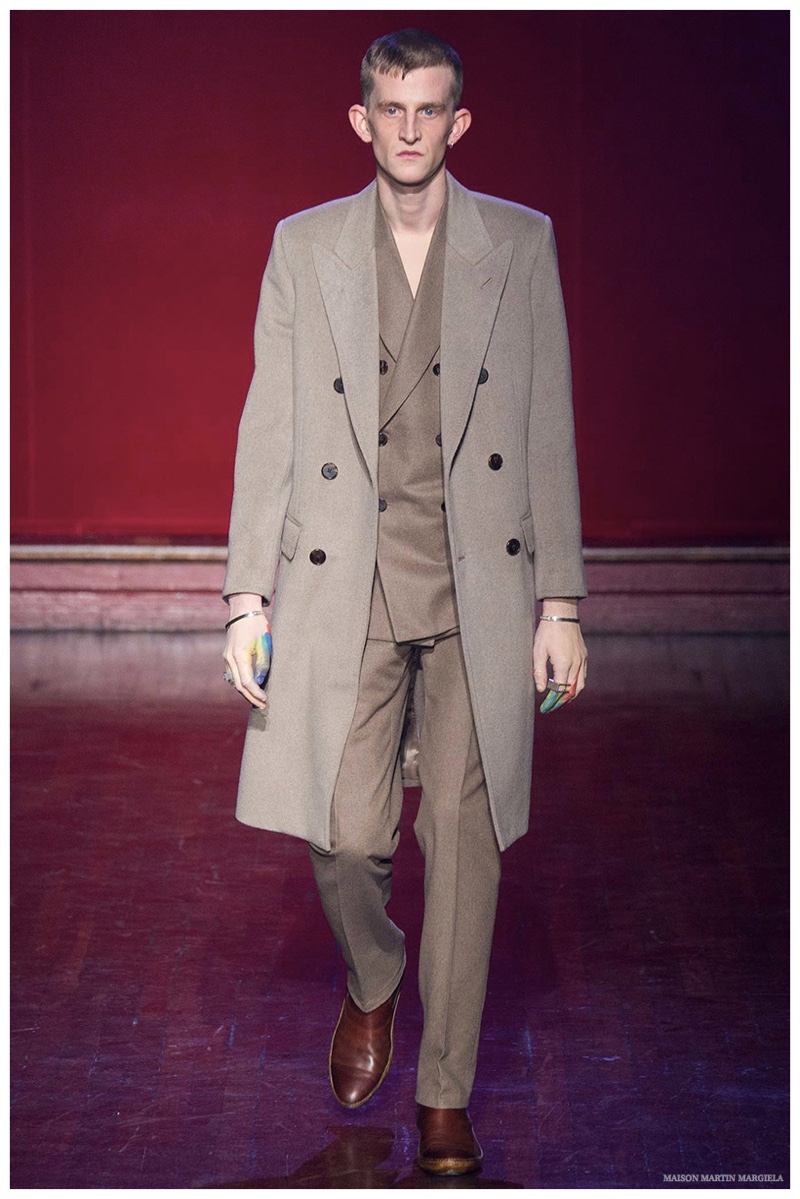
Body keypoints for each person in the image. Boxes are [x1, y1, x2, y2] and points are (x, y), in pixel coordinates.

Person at [222, 27, 588, 1177]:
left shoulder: (517, 244)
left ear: (458, 121)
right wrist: (245, 595)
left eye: (430, 108)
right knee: (342, 833)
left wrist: (559, 600)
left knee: (465, 844)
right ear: (361, 120)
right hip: (348, 581)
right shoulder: (304, 247)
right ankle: (374, 974)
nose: (411, 127)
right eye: (392, 108)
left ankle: (443, 1093)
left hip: (477, 584)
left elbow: (543, 424)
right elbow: (270, 427)